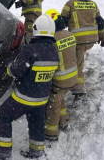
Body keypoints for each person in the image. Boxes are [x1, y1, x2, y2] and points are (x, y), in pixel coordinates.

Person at [0, 14, 59, 159]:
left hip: (24, 97)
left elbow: (16, 71)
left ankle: (2, 153)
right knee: (37, 124)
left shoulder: (30, 49)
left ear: (36, 30)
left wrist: (9, 67)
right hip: (42, 99)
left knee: (2, 116)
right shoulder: (54, 51)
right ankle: (36, 153)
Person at [59, 0, 104, 108]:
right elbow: (100, 21)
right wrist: (102, 37)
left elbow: (62, 22)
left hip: (78, 40)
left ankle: (80, 94)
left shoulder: (70, 4)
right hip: (91, 40)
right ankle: (76, 88)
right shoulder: (93, 4)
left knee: (77, 65)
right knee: (79, 61)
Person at [43, 9, 78, 141]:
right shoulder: (70, 34)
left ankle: (51, 134)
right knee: (60, 97)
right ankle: (64, 121)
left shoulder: (52, 40)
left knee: (53, 105)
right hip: (73, 77)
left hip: (60, 80)